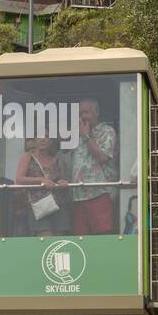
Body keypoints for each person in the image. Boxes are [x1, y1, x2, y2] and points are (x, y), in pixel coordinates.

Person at [70, 98, 118, 235]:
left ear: (96, 112)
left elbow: (102, 157)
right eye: (80, 113)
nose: (82, 117)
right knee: (81, 240)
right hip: (78, 195)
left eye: (86, 112)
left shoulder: (107, 131)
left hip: (100, 193)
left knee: (102, 238)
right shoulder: (78, 136)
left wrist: (86, 136)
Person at [15, 137, 70, 236]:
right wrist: (41, 180)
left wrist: (64, 183)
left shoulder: (58, 161)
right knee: (45, 239)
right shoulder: (27, 157)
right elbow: (19, 180)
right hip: (39, 205)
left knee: (60, 241)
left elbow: (63, 182)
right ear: (34, 141)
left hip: (59, 205)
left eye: (46, 136)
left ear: (51, 142)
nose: (42, 139)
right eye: (39, 137)